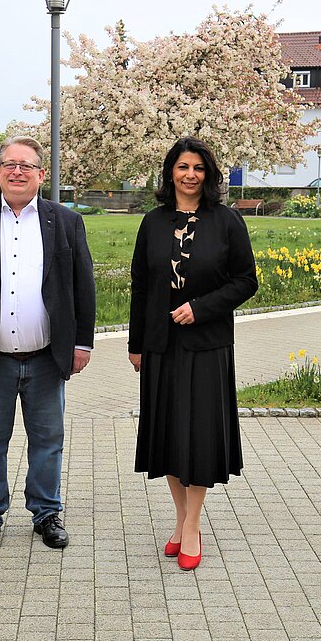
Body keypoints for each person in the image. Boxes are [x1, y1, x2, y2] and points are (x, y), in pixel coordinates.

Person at [0, 135, 95, 552]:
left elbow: (83, 288)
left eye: (26, 165)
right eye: (9, 164)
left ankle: (46, 513)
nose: (17, 171)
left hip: (46, 357)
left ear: (41, 175)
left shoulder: (65, 222)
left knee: (48, 441)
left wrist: (83, 344)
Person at [128, 136, 258, 571]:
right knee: (167, 432)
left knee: (199, 435)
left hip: (207, 344)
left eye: (198, 168)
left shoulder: (227, 222)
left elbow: (245, 281)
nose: (190, 175)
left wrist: (200, 309)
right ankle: (183, 521)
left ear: (209, 174)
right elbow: (142, 285)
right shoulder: (153, 222)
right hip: (161, 344)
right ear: (170, 173)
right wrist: (136, 343)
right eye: (183, 167)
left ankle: (192, 525)